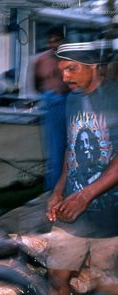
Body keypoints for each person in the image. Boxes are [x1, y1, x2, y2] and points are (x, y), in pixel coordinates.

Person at [46, 42, 118, 295]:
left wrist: (85, 195)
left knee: (105, 284)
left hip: (112, 213)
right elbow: (72, 146)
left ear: (93, 67)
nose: (65, 77)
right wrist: (58, 190)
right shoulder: (71, 100)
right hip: (74, 210)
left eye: (72, 69)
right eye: (62, 70)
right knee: (57, 277)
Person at [34, 27, 70, 191]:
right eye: (50, 41)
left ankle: (67, 184)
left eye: (56, 41)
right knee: (54, 148)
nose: (53, 44)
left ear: (62, 42)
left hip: (68, 102)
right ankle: (53, 188)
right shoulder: (41, 60)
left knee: (70, 144)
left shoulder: (68, 58)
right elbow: (36, 83)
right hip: (51, 102)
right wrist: (48, 95)